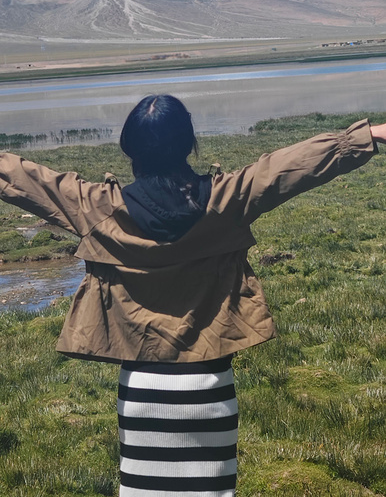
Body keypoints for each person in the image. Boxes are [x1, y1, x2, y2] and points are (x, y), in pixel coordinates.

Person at [0, 94, 385, 497]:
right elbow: (289, 167)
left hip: (141, 391)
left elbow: (23, 177)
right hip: (210, 387)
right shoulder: (226, 200)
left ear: (130, 149)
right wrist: (368, 136)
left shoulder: (95, 207)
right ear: (188, 144)